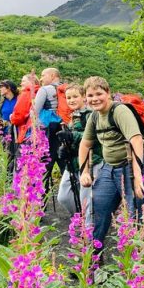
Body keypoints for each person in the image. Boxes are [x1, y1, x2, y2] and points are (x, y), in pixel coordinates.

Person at [78, 76, 144, 249]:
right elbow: (85, 144)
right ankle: (92, 259)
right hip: (109, 168)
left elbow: (136, 140)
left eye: (99, 94)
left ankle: (138, 264)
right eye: (90, 95)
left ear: (108, 93)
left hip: (129, 167)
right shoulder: (94, 117)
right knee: (98, 209)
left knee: (134, 215)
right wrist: (84, 172)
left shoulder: (119, 111)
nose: (95, 99)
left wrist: (138, 178)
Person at [56, 84, 103, 223]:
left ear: (84, 97)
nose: (71, 100)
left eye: (75, 96)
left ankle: (89, 231)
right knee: (63, 196)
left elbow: (93, 137)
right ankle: (79, 218)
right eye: (68, 98)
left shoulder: (90, 115)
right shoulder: (72, 117)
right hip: (73, 162)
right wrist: (64, 149)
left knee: (87, 198)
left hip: (91, 161)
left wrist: (72, 136)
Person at [34, 68, 66, 194]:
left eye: (43, 75)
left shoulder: (45, 89)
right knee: (65, 164)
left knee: (45, 165)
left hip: (48, 131)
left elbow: (35, 110)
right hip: (64, 128)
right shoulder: (67, 89)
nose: (41, 79)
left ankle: (41, 199)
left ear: (52, 75)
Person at [0, 80, 19, 174]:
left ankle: (13, 176)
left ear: (8, 88)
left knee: (15, 154)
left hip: (16, 130)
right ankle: (7, 177)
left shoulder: (19, 99)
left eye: (1, 86)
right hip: (5, 131)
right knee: (6, 154)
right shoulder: (1, 100)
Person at [10, 72, 40, 146]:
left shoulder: (26, 94)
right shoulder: (39, 92)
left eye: (23, 81)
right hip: (37, 130)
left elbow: (19, 116)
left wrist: (11, 117)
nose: (21, 84)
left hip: (25, 132)